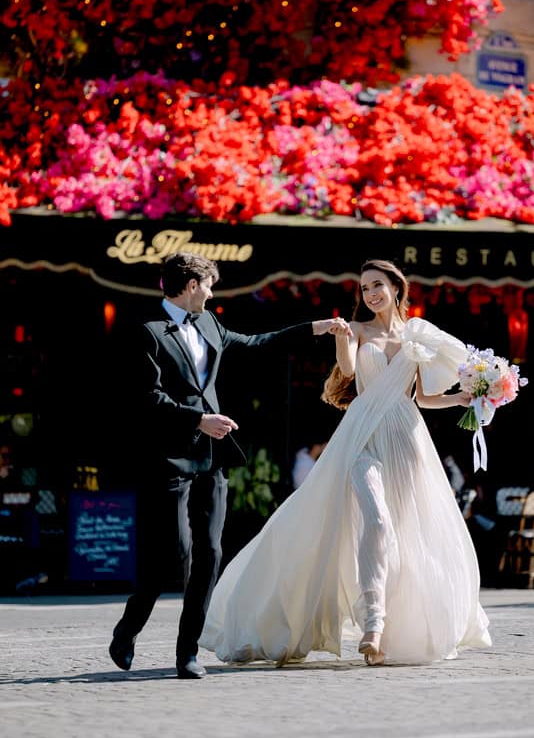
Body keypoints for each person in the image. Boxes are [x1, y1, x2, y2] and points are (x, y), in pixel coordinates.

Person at [200, 259, 491, 667]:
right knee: (376, 521)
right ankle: (373, 623)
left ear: (396, 287)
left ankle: (391, 631)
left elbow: (422, 396)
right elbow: (351, 373)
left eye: (377, 285)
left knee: (406, 531)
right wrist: (341, 337)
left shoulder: (417, 334)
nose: (370, 294)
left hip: (406, 438)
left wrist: (461, 398)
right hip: (361, 436)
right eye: (364, 288)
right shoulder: (357, 331)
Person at [109, 252, 346, 679]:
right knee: (171, 554)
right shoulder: (145, 332)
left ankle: (187, 653)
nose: (213, 293)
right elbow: (146, 399)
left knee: (210, 552)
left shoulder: (209, 323)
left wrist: (315, 328)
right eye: (210, 285)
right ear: (191, 284)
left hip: (211, 456)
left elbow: (257, 344)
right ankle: (128, 629)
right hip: (167, 457)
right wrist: (197, 418)